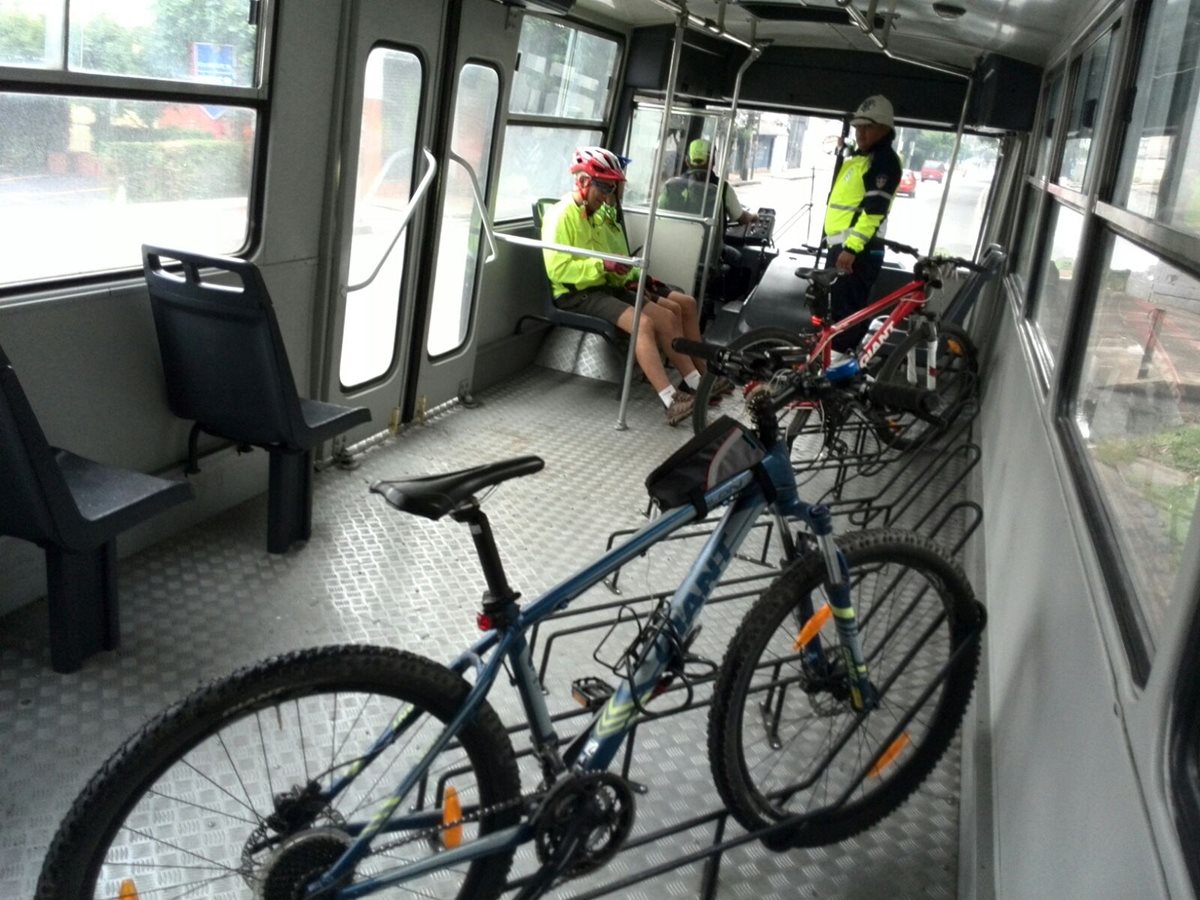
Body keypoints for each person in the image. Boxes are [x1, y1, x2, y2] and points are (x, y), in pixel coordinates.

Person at [541, 146, 729, 426]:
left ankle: (696, 383)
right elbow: (559, 269)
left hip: (604, 286)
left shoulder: (599, 217)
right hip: (576, 293)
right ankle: (670, 400)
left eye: (611, 189)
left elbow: (611, 261)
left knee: (665, 316)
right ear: (582, 182)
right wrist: (603, 267)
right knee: (643, 325)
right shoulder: (561, 215)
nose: (607, 196)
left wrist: (624, 275)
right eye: (603, 188)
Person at [821, 94, 903, 354]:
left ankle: (836, 370)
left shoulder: (884, 161)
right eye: (857, 127)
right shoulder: (859, 159)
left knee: (847, 313)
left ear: (884, 129)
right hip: (842, 248)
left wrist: (852, 248)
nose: (860, 133)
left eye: (867, 127)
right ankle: (829, 364)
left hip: (856, 251)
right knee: (834, 312)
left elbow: (873, 211)